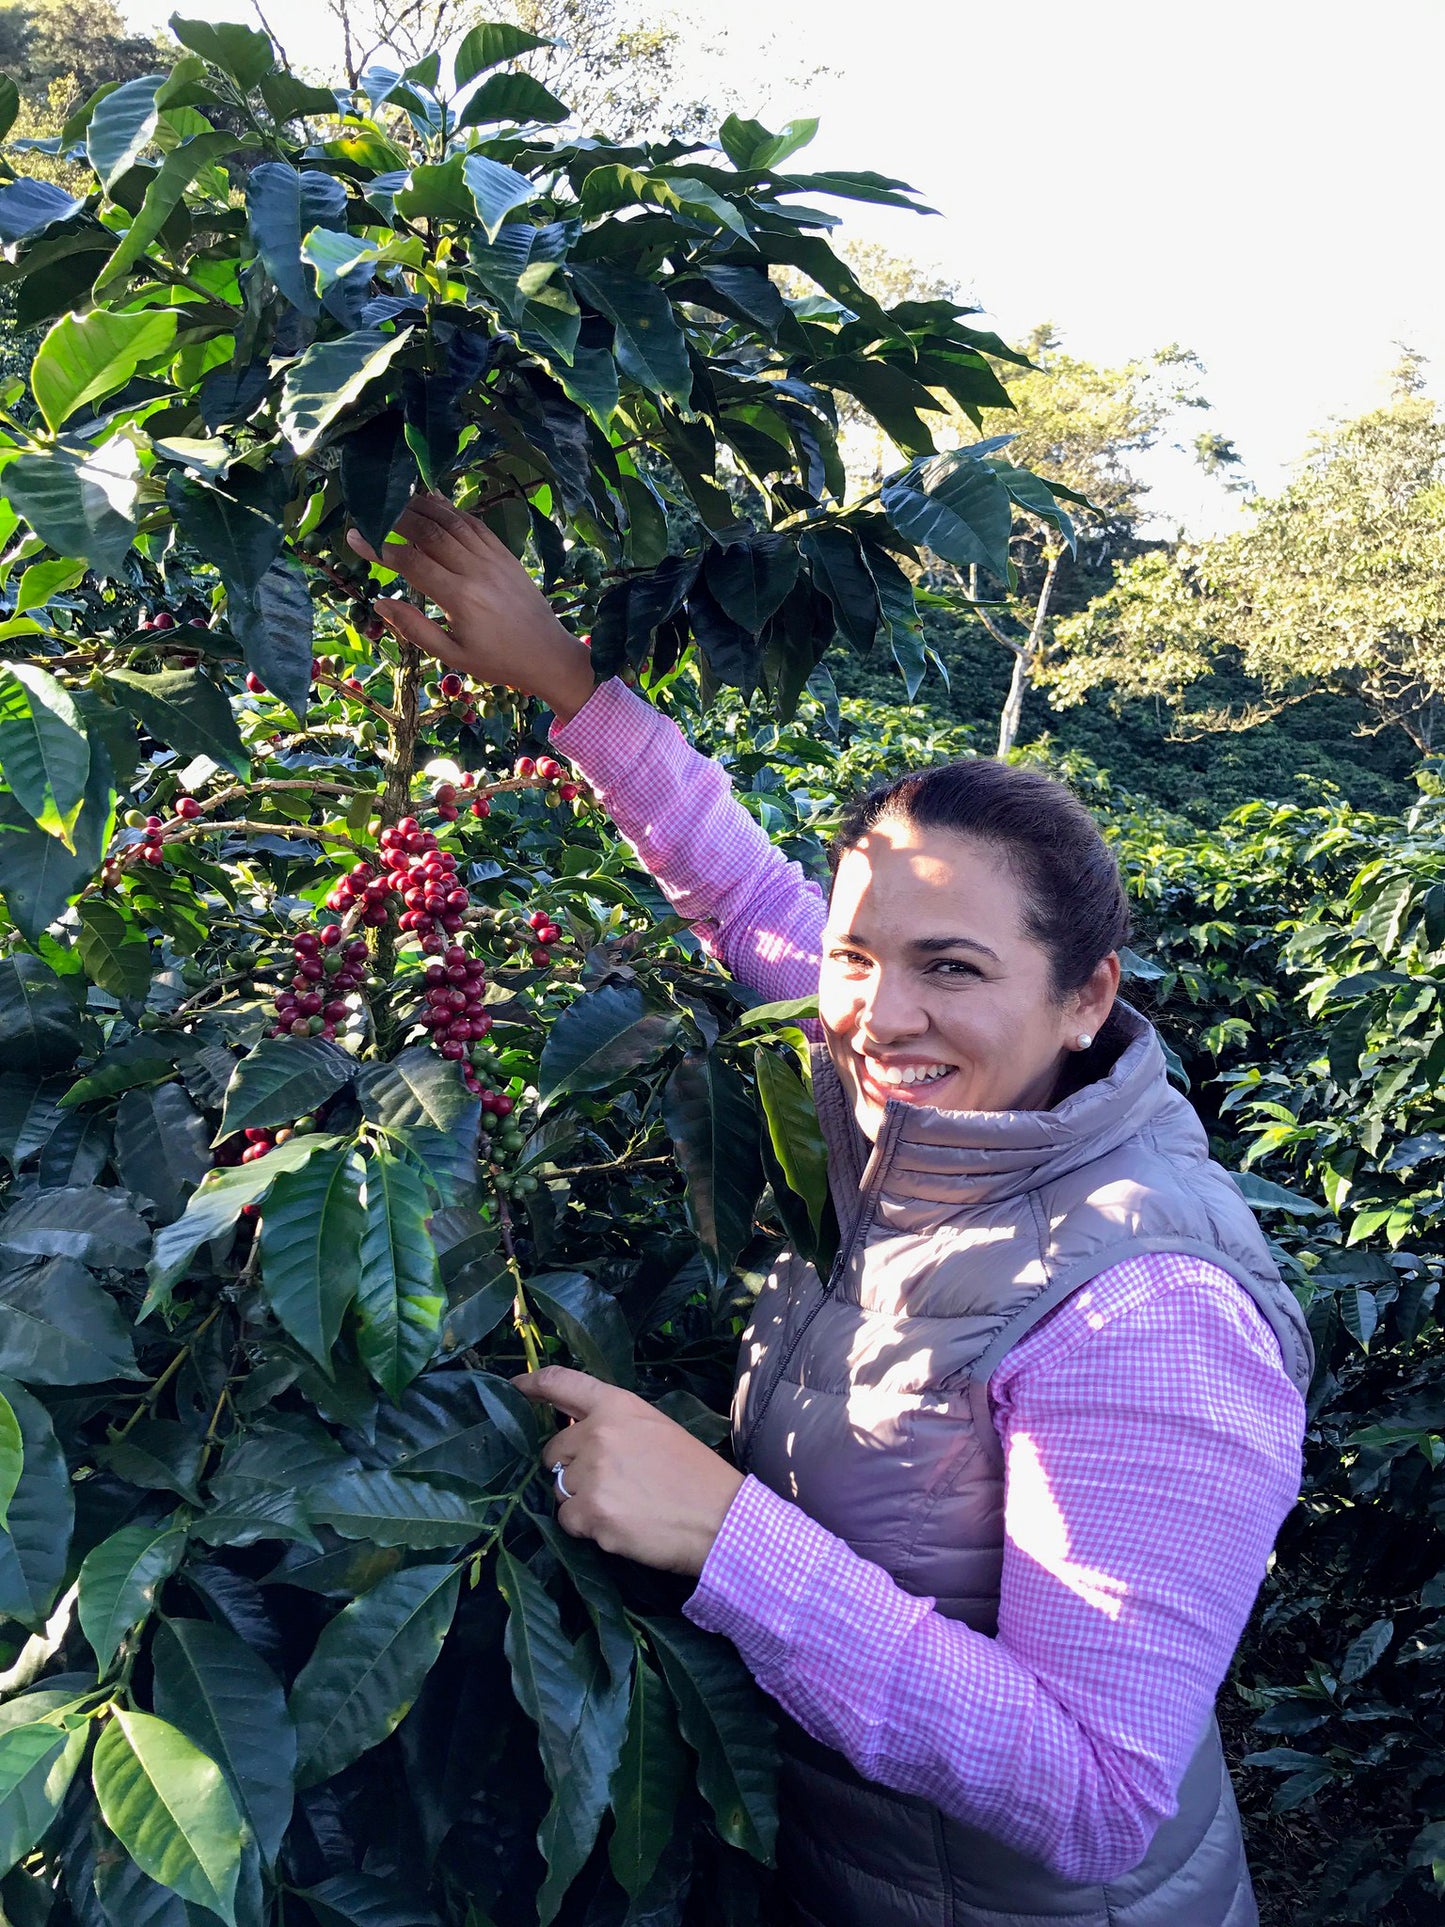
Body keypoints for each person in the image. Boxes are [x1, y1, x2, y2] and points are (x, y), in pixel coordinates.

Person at [349, 497, 1311, 1927]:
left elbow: (1100, 1795)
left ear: (1086, 995)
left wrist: (725, 1533)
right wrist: (565, 683)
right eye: (861, 955)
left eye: (954, 967)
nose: (878, 1011)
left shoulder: (1150, 1307)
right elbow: (744, 896)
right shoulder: (912, 1112)